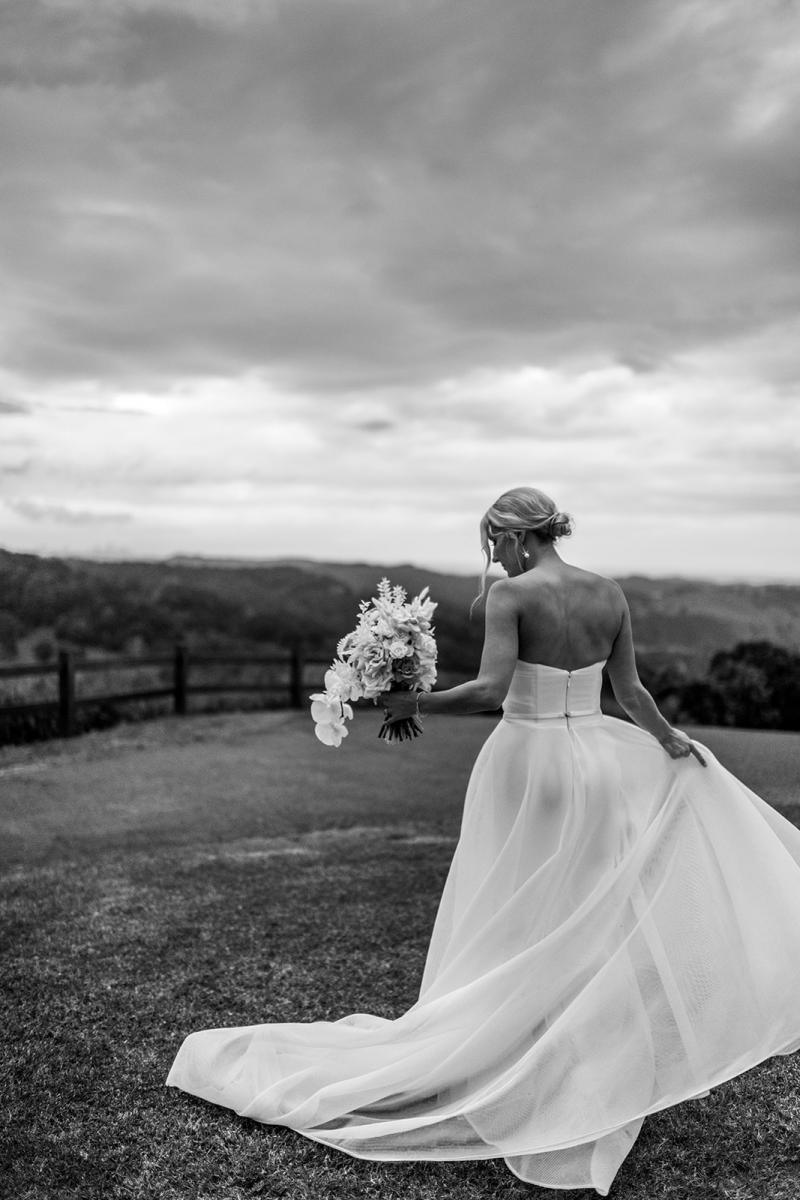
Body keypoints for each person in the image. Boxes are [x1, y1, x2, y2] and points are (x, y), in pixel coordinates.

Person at [166, 486, 800, 1196]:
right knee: (579, 911)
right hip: (596, 763)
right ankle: (563, 1055)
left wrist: (411, 703)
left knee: (506, 906)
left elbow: (492, 690)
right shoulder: (610, 594)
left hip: (526, 764)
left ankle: (496, 1050)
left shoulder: (512, 595)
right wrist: (672, 741)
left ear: (518, 536)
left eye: (494, 541)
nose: (492, 555)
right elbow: (634, 694)